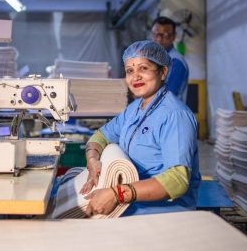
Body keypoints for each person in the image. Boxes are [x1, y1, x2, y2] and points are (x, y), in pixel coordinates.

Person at [80, 40, 200, 216]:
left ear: (163, 72)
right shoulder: (134, 109)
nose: (135, 77)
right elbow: (101, 136)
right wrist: (92, 160)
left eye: (143, 68)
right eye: (130, 70)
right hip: (131, 206)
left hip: (163, 214)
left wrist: (117, 194)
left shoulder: (175, 115)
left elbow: (177, 180)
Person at [150, 16, 189, 102]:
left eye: (165, 36)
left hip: (170, 114)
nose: (159, 39)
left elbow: (167, 95)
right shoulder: (154, 59)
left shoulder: (176, 62)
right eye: (156, 34)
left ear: (173, 37)